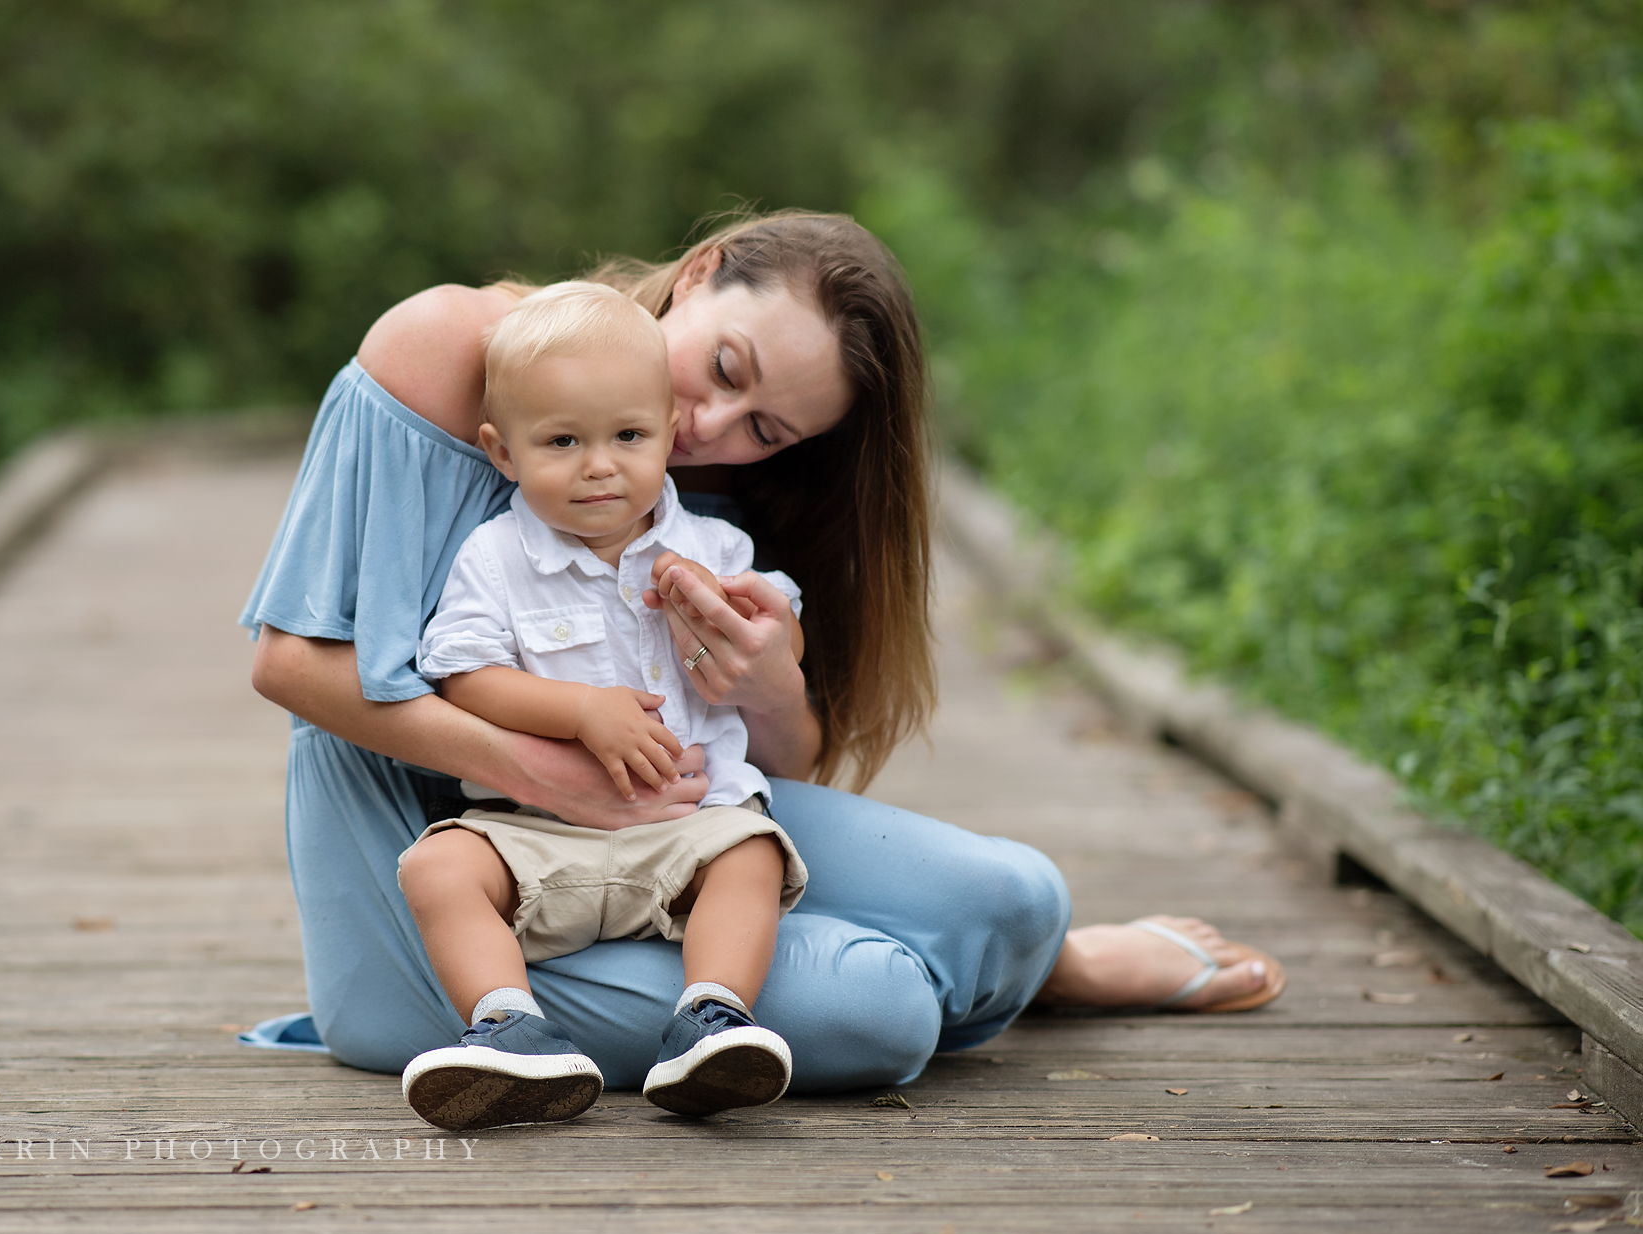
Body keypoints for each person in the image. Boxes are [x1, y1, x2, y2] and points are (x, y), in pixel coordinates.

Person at [242, 210, 1283, 1103]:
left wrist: (768, 685)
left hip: (658, 828)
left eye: (764, 429)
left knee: (1017, 898)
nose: (708, 427)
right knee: (881, 1008)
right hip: (432, 873)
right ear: (698, 275)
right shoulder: (453, 343)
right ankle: (535, 1017)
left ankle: (1034, 963)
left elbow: (769, 772)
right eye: (724, 368)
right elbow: (290, 665)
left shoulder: (692, 481)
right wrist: (540, 763)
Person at [398, 282, 809, 1131]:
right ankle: (509, 1026)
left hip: (686, 824)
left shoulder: (712, 548)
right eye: (562, 441)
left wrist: (728, 618)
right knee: (437, 867)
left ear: (666, 431)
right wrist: (581, 711)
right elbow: (461, 675)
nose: (599, 464)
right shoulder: (496, 554)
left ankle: (714, 1016)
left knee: (753, 851)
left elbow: (781, 636)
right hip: (536, 831)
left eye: (628, 436)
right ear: (502, 451)